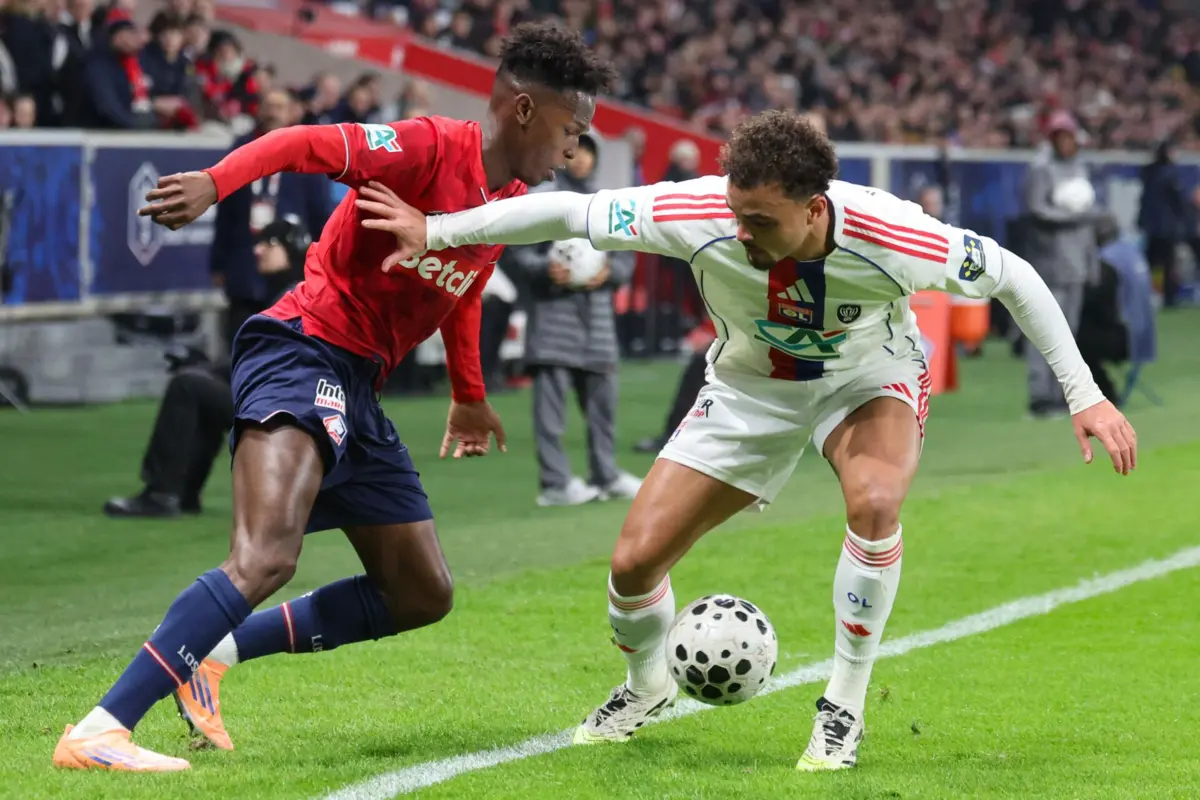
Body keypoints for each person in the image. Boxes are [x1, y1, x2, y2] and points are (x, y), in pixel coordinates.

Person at [354, 109, 1137, 772]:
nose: (742, 232)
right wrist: (439, 229)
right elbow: (567, 214)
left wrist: (1086, 396)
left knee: (873, 502)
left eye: (760, 221)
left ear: (815, 208)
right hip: (748, 391)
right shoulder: (694, 213)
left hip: (867, 378)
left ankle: (843, 706)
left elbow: (1014, 277)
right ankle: (647, 684)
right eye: (736, 213)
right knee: (632, 564)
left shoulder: (899, 235)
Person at [52, 21, 615, 772]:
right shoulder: (426, 146)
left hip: (358, 384)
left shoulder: (504, 200)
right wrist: (215, 184)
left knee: (420, 592)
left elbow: (465, 289)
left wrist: (470, 394)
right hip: (303, 346)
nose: (572, 151)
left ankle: (208, 653)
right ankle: (100, 727)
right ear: (523, 112)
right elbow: (301, 143)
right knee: (263, 557)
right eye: (571, 130)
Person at [103, 216, 313, 519]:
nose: (258, 250)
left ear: (291, 250)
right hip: (289, 406)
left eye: (270, 243)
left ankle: (161, 493)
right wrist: (208, 367)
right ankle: (184, 492)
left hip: (285, 412)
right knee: (201, 385)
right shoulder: (293, 292)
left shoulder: (292, 298)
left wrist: (206, 368)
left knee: (187, 384)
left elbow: (266, 368)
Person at [507, 133, 641, 506]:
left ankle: (606, 475)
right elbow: (515, 252)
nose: (581, 158)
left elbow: (628, 256)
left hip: (597, 321)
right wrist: (546, 270)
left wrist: (610, 272)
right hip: (553, 318)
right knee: (550, 414)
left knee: (603, 409)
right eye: (575, 150)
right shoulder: (543, 201)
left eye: (588, 151)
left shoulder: (606, 203)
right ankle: (556, 484)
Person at [1022, 110, 1100, 418]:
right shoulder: (1041, 168)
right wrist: (1074, 217)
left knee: (1069, 333)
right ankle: (1040, 395)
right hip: (1051, 260)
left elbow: (1088, 223)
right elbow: (1036, 209)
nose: (1066, 143)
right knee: (1045, 329)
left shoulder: (1080, 167)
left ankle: (1062, 395)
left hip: (1077, 261)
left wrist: (1091, 261)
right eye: (1061, 137)